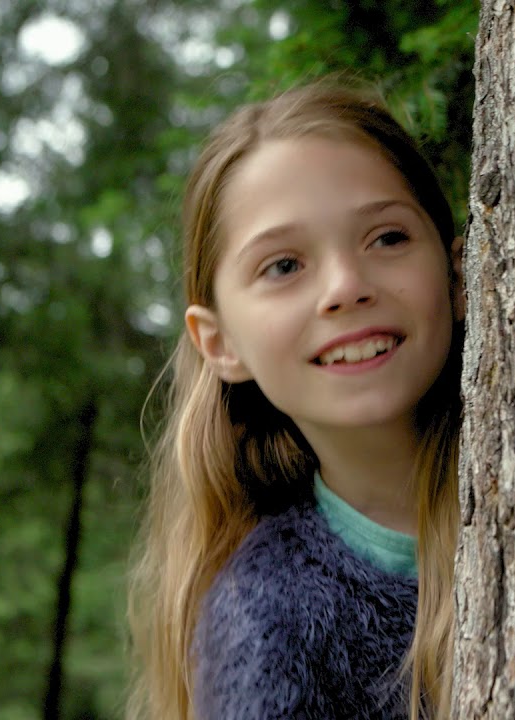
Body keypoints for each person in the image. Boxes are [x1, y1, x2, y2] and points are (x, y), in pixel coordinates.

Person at [127, 81, 464, 720]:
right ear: (221, 343)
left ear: (456, 270)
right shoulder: (268, 619)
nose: (345, 286)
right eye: (283, 266)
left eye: (387, 238)